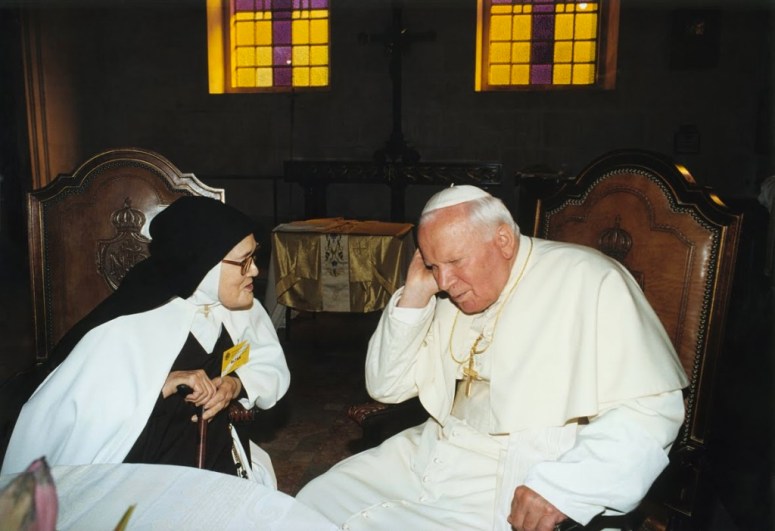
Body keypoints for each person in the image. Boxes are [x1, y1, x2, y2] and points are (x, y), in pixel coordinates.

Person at [297, 185, 689, 530]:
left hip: (518, 468)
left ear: (503, 241)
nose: (445, 283)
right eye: (433, 266)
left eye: (454, 262)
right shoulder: (449, 291)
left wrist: (566, 487)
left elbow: (651, 411)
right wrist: (414, 296)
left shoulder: (591, 279)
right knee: (316, 502)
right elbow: (385, 386)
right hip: (435, 446)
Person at [1, 196, 290, 485]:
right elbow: (84, 412)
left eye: (255, 256)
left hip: (216, 453)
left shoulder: (240, 308)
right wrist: (163, 385)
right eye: (243, 262)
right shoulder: (131, 322)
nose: (254, 270)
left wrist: (234, 384)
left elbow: (267, 362)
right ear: (204, 266)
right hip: (145, 463)